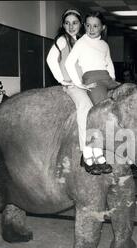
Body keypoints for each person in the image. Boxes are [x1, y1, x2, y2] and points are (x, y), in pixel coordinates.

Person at [46, 9, 104, 175]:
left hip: (83, 84)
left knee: (99, 108)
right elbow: (50, 59)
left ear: (81, 24)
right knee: (85, 108)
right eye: (67, 23)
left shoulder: (81, 41)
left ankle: (97, 152)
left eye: (74, 22)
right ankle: (86, 154)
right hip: (72, 85)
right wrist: (62, 80)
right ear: (63, 25)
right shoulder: (63, 39)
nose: (70, 26)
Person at [65, 12, 119, 175]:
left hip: (105, 77)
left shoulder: (104, 44)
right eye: (87, 25)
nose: (91, 29)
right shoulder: (81, 42)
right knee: (97, 115)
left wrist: (113, 80)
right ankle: (92, 154)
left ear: (103, 28)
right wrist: (79, 83)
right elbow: (69, 63)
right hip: (92, 77)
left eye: (95, 26)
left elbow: (108, 62)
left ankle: (103, 150)